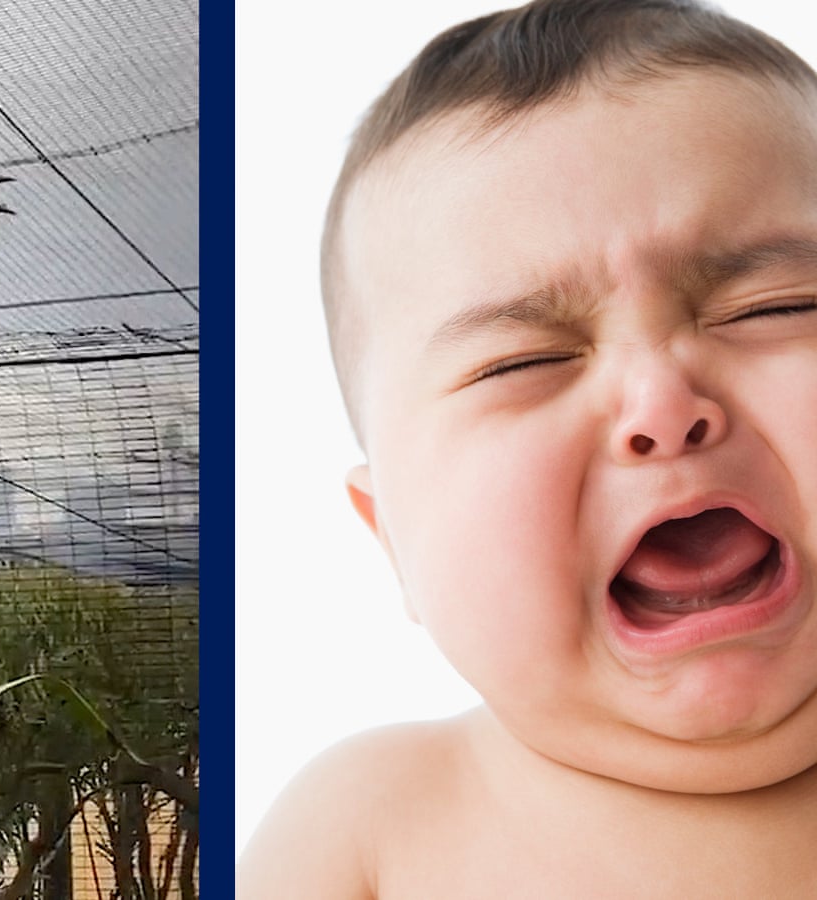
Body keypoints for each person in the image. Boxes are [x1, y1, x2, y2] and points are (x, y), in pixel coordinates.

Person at [235, 0, 817, 895]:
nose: (661, 405)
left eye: (775, 307)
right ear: (392, 540)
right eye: (526, 361)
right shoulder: (370, 830)